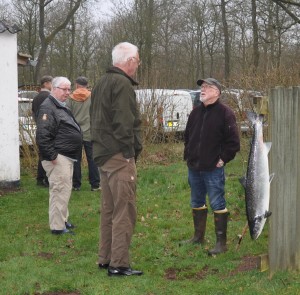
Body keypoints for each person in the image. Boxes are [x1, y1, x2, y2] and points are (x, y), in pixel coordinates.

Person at [90, 42, 143, 276]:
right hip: (118, 155)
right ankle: (119, 264)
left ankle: (106, 257)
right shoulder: (121, 83)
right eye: (138, 61)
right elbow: (124, 122)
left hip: (102, 153)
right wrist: (130, 151)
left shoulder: (101, 82)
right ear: (130, 61)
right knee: (125, 209)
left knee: (109, 209)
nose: (138, 66)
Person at [183, 77, 240, 255]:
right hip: (194, 167)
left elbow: (233, 143)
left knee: (217, 202)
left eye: (207, 87)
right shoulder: (195, 113)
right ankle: (198, 237)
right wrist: (188, 156)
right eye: (202, 86)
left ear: (217, 92)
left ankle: (221, 244)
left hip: (213, 168)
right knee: (197, 201)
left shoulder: (225, 113)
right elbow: (187, 137)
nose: (203, 89)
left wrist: (222, 159)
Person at [36, 76, 82, 235]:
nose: (68, 92)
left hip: (66, 156)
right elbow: (43, 136)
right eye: (64, 89)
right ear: (54, 89)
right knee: (58, 191)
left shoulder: (59, 106)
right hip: (58, 157)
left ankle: (62, 220)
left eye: (69, 89)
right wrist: (53, 156)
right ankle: (57, 227)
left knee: (65, 190)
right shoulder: (48, 108)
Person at [67, 76, 100, 191]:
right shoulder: (93, 97)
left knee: (76, 159)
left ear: (76, 85)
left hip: (74, 132)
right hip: (90, 132)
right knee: (92, 159)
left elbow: (67, 116)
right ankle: (95, 184)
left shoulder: (70, 98)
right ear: (87, 85)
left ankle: (76, 185)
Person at [32, 75, 53, 187]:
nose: (52, 85)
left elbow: (34, 114)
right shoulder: (49, 97)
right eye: (51, 83)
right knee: (48, 155)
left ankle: (40, 179)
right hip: (47, 129)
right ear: (45, 83)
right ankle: (46, 179)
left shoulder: (36, 97)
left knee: (42, 154)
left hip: (39, 129)